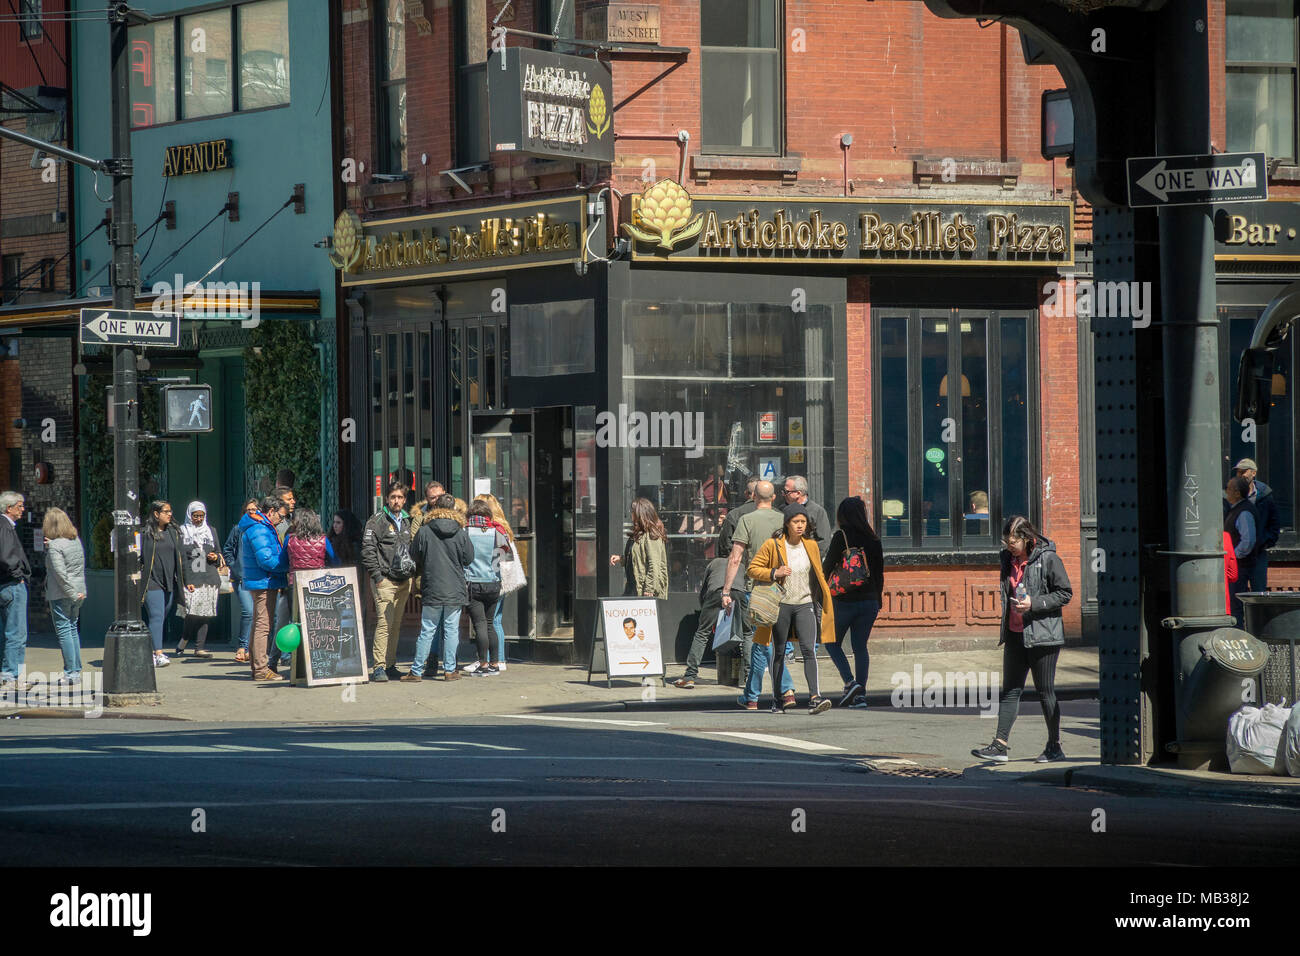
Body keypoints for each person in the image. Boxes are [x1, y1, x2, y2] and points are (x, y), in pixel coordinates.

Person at [972, 515, 1073, 764]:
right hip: (1015, 634)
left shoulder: (1048, 558)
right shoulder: (1007, 559)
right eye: (1006, 540)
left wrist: (1034, 604)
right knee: (1010, 691)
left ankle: (1054, 746)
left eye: (1013, 541)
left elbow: (1065, 593)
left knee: (1045, 691)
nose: (1009, 545)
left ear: (1027, 539)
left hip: (1043, 637)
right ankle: (1000, 745)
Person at [747, 503, 836, 715]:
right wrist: (774, 572)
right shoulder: (773, 545)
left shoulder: (811, 545)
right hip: (781, 605)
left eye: (803, 522)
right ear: (787, 523)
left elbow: (817, 574)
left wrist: (823, 597)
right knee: (778, 652)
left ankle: (815, 697)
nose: (800, 526)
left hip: (805, 603)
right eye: (796, 522)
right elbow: (752, 569)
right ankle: (777, 699)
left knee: (808, 650)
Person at [721, 480, 795, 710]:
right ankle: (751, 696)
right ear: (774, 498)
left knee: (764, 642)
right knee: (760, 642)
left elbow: (735, 558)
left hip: (759, 588)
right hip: (785, 587)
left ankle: (787, 688)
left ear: (754, 497)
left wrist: (726, 590)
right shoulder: (784, 519)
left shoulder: (747, 520)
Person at [820, 496, 884, 708]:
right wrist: (878, 598)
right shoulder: (874, 539)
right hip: (870, 601)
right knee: (860, 647)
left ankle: (849, 681)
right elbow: (879, 573)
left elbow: (827, 566)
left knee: (831, 643)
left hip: (845, 600)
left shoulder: (842, 536)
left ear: (842, 516)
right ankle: (861, 696)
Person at [405, 493, 473, 682]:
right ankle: (450, 670)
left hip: (432, 585)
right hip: (454, 587)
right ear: (454, 509)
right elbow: (469, 558)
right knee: (451, 630)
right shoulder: (461, 532)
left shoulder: (425, 530)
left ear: (435, 508)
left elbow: (414, 555)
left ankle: (416, 671)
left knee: (427, 630)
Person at [362, 483, 415, 682]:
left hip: (403, 581)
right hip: (385, 580)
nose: (396, 501)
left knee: (396, 624)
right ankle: (379, 667)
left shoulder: (408, 521)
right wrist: (378, 576)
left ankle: (391, 664)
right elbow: (367, 550)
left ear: (404, 499)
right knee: (384, 624)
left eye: (400, 497)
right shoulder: (377, 521)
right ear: (386, 498)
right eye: (393, 497)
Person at [236, 495, 290, 682]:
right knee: (263, 626)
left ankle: (258, 666)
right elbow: (267, 559)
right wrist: (286, 566)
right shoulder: (260, 528)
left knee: (259, 624)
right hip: (264, 581)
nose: (281, 520)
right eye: (280, 516)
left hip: (261, 580)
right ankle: (261, 668)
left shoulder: (259, 526)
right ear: (271, 512)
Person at [138, 500, 190, 668]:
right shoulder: (146, 533)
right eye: (166, 511)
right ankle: (158, 654)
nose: (169, 514)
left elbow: (182, 558)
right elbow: (139, 557)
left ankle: (149, 649)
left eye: (170, 511)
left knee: (163, 615)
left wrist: (187, 581)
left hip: (170, 582)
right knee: (157, 616)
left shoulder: (174, 532)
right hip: (151, 581)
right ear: (156, 514)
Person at [462, 499, 511, 674]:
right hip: (493, 584)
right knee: (490, 624)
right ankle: (495, 664)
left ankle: (483, 665)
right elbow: (503, 558)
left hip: (473, 583)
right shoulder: (497, 531)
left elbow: (462, 557)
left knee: (480, 625)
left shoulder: (465, 531)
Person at [475, 492, 522, 671]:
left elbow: (500, 559)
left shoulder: (494, 529)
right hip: (502, 579)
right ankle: (498, 659)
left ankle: (491, 660)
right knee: (496, 620)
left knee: (490, 621)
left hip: (496, 579)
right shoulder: (502, 527)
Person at [671, 554, 731, 688]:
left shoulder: (714, 563)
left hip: (716, 593)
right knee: (746, 633)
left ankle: (690, 676)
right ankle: (749, 676)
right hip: (737, 593)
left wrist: (704, 608)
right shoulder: (741, 563)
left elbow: (704, 591)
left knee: (702, 633)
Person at [42, 507, 85, 686]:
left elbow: (59, 573)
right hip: (79, 589)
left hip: (62, 593)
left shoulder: (55, 546)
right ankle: (76, 669)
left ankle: (71, 672)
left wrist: (71, 593)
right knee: (73, 628)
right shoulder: (75, 541)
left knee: (64, 631)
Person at [175, 501, 222, 658]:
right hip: (192, 576)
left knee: (206, 613)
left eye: (201, 516)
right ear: (190, 515)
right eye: (195, 516)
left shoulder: (211, 531)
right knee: (192, 612)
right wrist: (186, 580)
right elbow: (181, 558)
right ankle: (184, 639)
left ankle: (199, 648)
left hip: (209, 577)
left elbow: (219, 553)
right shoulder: (182, 532)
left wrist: (215, 557)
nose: (198, 519)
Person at [1232, 458, 1279, 594]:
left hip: (1258, 554)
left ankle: (1258, 616)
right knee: (1236, 594)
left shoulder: (1265, 496)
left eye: (1243, 471)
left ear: (1254, 473)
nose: (1240, 475)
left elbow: (1274, 523)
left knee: (1259, 593)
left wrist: (1264, 541)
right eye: (1238, 472)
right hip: (1237, 555)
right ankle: (1238, 617)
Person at [0, 491, 30, 687]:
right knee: (16, 633)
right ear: (9, 508)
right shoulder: (5, 527)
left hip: (5, 584)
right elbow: (6, 556)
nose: (22, 510)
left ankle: (7, 673)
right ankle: (12, 674)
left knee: (6, 632)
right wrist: (18, 575)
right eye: (19, 506)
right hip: (11, 585)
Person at [610, 498, 669, 599]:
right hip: (633, 587)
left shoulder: (652, 535)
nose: (631, 514)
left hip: (645, 590)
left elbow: (654, 564)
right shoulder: (638, 534)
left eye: (632, 511)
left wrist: (649, 589)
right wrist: (622, 559)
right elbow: (638, 558)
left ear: (640, 514)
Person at [285, 508, 338, 619]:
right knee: (316, 618)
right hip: (318, 583)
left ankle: (298, 636)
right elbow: (335, 561)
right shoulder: (323, 540)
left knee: (295, 618)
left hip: (294, 583)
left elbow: (282, 561)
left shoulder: (289, 539)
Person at [224, 498, 259, 662]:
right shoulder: (238, 529)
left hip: (257, 577)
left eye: (254, 510)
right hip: (242, 578)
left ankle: (253, 649)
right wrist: (234, 566)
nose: (251, 513)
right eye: (248, 510)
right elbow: (228, 549)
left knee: (260, 614)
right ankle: (242, 647)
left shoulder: (261, 528)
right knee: (249, 611)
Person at [267, 484, 297, 673]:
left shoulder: (292, 521)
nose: (293, 501)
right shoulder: (276, 525)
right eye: (289, 499)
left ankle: (279, 659)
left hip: (288, 580)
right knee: (279, 621)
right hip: (280, 579)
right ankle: (273, 659)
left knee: (284, 620)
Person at [1224, 475, 1259, 626]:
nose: (1226, 492)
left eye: (1229, 489)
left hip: (1240, 566)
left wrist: (1233, 556)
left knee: (1235, 604)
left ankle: (1237, 633)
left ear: (1237, 493)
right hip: (1237, 565)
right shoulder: (1235, 509)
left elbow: (1248, 541)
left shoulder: (1244, 512)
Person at [782, 475, 830, 544]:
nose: (783, 494)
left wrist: (810, 554)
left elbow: (824, 541)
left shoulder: (817, 511)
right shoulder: (782, 510)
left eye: (786, 492)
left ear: (798, 493)